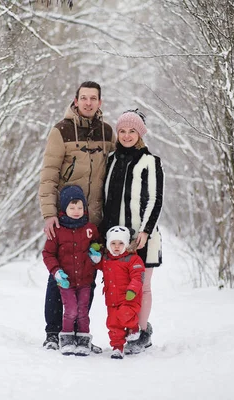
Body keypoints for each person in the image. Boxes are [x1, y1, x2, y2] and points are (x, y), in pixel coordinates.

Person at [38, 81, 116, 351]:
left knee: (86, 279)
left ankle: (78, 333)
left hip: (93, 220)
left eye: (93, 98)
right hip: (64, 218)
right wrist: (49, 214)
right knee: (58, 276)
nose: (88, 103)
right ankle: (53, 332)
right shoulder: (61, 130)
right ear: (76, 100)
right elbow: (49, 174)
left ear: (100, 102)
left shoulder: (107, 133)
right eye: (84, 98)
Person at [99, 109, 164, 354]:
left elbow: (156, 199)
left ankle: (141, 331)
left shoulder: (151, 161)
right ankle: (122, 329)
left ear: (140, 133)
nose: (126, 135)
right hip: (115, 239)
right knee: (119, 287)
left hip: (141, 236)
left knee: (143, 286)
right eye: (123, 131)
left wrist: (145, 231)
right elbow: (106, 198)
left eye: (132, 131)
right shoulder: (112, 159)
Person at [42, 185, 100, 356]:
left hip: (84, 280)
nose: (76, 211)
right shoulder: (58, 230)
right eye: (72, 207)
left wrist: (96, 253)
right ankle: (63, 337)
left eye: (80, 207)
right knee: (71, 310)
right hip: (65, 280)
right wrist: (56, 271)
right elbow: (48, 253)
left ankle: (82, 340)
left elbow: (97, 244)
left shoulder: (90, 229)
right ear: (64, 208)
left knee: (83, 311)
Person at [93, 225, 145, 359]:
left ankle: (133, 328)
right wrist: (94, 252)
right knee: (112, 323)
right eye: (113, 243)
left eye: (121, 243)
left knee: (125, 315)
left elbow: (138, 276)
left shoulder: (133, 259)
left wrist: (132, 289)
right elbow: (96, 263)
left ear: (126, 244)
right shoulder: (106, 259)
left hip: (129, 298)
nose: (117, 246)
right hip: (111, 299)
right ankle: (117, 347)